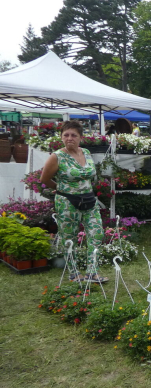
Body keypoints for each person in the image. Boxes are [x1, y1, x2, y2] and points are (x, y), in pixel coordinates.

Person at [40, 120, 108, 283]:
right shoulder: (57, 156)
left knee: (96, 233)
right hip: (67, 202)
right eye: (66, 135)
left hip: (89, 199)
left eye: (73, 135)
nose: (70, 138)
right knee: (69, 236)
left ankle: (93, 271)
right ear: (61, 137)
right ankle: (74, 272)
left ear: (80, 137)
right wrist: (59, 188)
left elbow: (90, 174)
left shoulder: (86, 152)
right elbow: (44, 179)